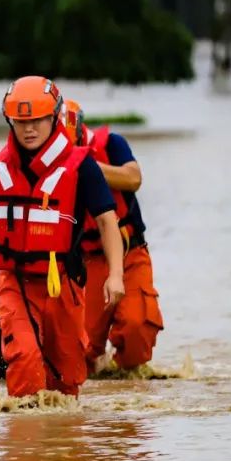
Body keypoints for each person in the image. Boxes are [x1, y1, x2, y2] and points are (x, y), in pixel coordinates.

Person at [0, 76, 126, 398]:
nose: (29, 129)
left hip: (62, 280)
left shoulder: (82, 165)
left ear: (54, 117)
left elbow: (106, 220)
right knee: (23, 358)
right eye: (21, 121)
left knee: (66, 379)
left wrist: (115, 275)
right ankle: (24, 440)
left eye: (38, 120)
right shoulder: (2, 165)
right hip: (14, 280)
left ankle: (58, 442)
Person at [63, 99, 163, 373]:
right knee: (80, 349)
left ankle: (125, 380)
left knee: (136, 327)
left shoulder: (112, 144)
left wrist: (84, 166)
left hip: (130, 254)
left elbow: (133, 179)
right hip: (86, 263)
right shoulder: (42, 163)